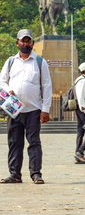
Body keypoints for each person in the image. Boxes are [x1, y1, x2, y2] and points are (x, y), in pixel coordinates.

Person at [0, 29, 52, 184]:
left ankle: (36, 173)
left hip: (33, 110)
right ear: (17, 43)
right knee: (14, 142)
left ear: (32, 44)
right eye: (23, 41)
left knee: (34, 142)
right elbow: (1, 81)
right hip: (14, 110)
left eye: (28, 41)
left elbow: (47, 86)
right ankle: (15, 174)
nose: (25, 44)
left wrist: (45, 109)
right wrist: (8, 90)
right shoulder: (10, 62)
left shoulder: (40, 62)